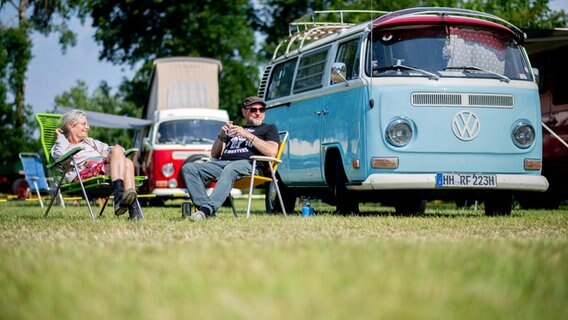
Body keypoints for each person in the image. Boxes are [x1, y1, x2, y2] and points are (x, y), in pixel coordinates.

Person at [181, 96, 279, 221]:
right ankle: (205, 212)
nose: (258, 113)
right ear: (244, 112)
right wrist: (221, 136)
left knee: (231, 168)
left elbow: (271, 152)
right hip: (224, 164)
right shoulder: (235, 130)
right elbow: (215, 155)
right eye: (253, 110)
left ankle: (205, 211)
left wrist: (247, 135)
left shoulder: (269, 128)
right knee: (189, 168)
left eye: (261, 109)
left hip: (250, 165)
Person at [51, 109, 143, 220]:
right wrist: (60, 137)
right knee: (127, 163)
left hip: (102, 167)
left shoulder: (89, 141)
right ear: (71, 125)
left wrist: (113, 154)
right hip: (82, 173)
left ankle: (119, 196)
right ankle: (133, 210)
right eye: (84, 124)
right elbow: (60, 158)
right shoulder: (63, 144)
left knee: (122, 154)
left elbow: (113, 150)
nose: (87, 127)